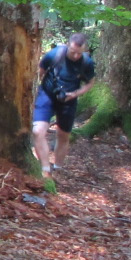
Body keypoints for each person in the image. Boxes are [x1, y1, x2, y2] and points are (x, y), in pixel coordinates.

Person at [33, 31, 95, 178]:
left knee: (63, 135)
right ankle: (45, 169)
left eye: (79, 53)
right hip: (47, 96)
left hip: (69, 100)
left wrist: (75, 94)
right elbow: (39, 72)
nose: (75, 56)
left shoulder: (86, 63)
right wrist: (35, 90)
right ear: (68, 46)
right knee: (38, 131)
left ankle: (58, 168)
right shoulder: (54, 55)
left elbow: (90, 83)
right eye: (73, 52)